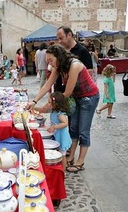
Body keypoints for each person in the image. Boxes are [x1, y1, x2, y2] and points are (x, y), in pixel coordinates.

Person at [26, 44, 99, 173]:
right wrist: (34, 101)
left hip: (89, 97)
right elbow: (47, 86)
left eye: (50, 60)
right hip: (77, 97)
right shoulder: (59, 66)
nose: (49, 64)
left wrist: (49, 105)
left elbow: (67, 93)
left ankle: (80, 161)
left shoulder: (74, 65)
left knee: (83, 130)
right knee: (73, 128)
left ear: (58, 56)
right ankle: (70, 157)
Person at [33, 92, 72, 171]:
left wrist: (54, 127)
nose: (48, 104)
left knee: (62, 155)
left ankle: (63, 171)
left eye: (49, 102)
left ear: (56, 104)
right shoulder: (53, 111)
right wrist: (33, 107)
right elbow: (42, 110)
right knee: (58, 153)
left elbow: (65, 123)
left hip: (62, 138)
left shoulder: (60, 114)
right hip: (57, 136)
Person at [55, 26, 93, 92]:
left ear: (69, 35)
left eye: (61, 38)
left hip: (77, 92)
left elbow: (89, 72)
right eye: (58, 39)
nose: (59, 41)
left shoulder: (82, 51)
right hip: (60, 90)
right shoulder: (60, 51)